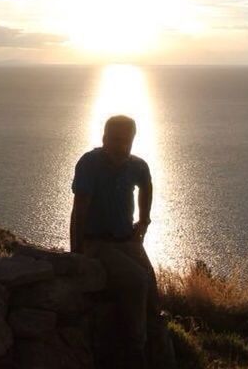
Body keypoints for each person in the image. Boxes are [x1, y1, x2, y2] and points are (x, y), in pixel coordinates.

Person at [70, 114, 160, 367]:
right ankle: (135, 351)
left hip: (126, 241)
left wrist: (144, 221)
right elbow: (80, 209)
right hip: (96, 242)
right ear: (104, 138)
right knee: (137, 282)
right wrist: (77, 252)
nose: (121, 146)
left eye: (126, 141)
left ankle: (158, 345)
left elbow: (147, 186)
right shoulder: (89, 163)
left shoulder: (137, 165)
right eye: (115, 139)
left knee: (152, 288)